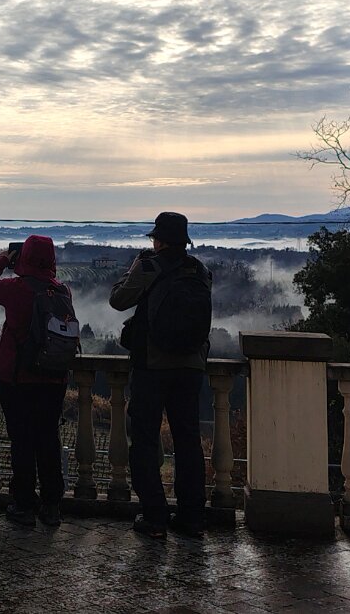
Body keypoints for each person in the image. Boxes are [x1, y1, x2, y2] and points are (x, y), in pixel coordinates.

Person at [110, 212, 212, 540]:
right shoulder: (200, 270)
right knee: (188, 441)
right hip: (191, 367)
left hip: (152, 366)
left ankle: (155, 517)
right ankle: (192, 517)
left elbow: (118, 300)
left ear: (160, 240)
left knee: (144, 439)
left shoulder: (148, 266)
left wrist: (133, 268)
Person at [0, 234, 70, 528]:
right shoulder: (61, 290)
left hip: (17, 378)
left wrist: (2, 261)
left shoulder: (17, 288)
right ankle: (52, 506)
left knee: (22, 441)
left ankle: (24, 505)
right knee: (48, 440)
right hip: (53, 377)